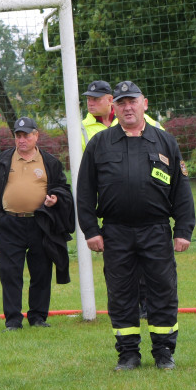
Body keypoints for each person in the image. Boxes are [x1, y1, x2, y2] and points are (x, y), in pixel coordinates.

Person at [77, 81, 195, 371]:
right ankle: (128, 353)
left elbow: (181, 190)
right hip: (115, 231)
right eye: (121, 102)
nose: (127, 107)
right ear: (114, 108)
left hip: (155, 230)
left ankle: (164, 351)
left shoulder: (165, 141)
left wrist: (183, 230)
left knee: (163, 289)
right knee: (120, 292)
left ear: (145, 103)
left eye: (132, 101)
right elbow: (84, 191)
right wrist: (91, 230)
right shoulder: (99, 144)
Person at [0, 117, 74, 332]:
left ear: (36, 136)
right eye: (18, 135)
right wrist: (0, 218)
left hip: (40, 224)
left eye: (26, 135)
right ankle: (13, 320)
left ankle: (38, 316)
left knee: (41, 271)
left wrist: (56, 199)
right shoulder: (4, 160)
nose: (22, 140)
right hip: (10, 224)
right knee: (10, 273)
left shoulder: (50, 162)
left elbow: (63, 188)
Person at [81, 78, 161, 319]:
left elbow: (169, 159)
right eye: (88, 99)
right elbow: (85, 179)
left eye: (96, 98)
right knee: (120, 277)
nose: (91, 103)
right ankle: (127, 328)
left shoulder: (153, 126)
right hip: (114, 217)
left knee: (152, 273)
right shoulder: (83, 130)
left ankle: (148, 307)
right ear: (115, 105)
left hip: (150, 217)